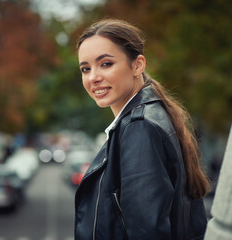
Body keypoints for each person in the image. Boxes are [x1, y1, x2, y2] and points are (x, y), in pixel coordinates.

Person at [75, 19, 210, 240]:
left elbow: (147, 232)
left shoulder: (139, 128)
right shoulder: (149, 117)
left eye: (106, 64)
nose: (93, 77)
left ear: (137, 65)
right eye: (85, 69)